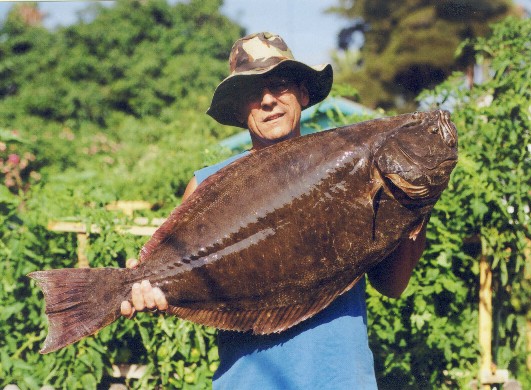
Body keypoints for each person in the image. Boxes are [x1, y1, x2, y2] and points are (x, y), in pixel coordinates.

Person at [120, 32, 427, 389]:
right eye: (252, 92)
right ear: (239, 109)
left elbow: (391, 286)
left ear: (303, 94)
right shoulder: (206, 187)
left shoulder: (351, 169)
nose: (268, 100)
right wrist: (146, 287)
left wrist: (411, 208)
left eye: (280, 85)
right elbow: (169, 276)